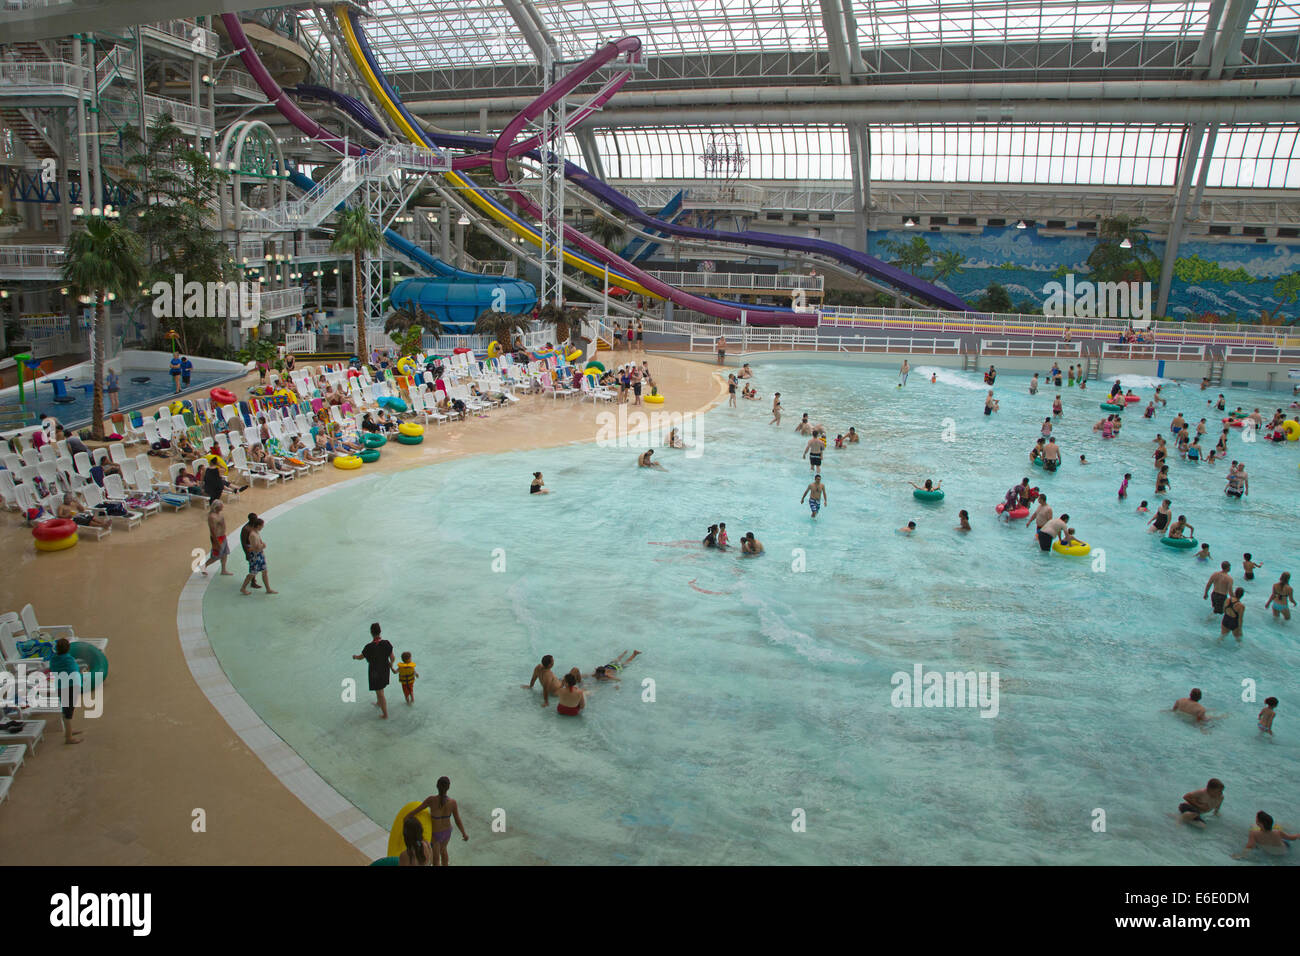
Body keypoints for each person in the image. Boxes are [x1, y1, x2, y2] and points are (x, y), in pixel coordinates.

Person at [406, 777, 468, 865]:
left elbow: (417, 810)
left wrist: (406, 817)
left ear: (437, 786)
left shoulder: (431, 800)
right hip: (447, 831)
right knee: (443, 851)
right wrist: (464, 833)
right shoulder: (452, 803)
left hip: (435, 834)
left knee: (436, 858)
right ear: (448, 787)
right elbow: (457, 820)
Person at [353, 622, 394, 719]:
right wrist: (391, 664)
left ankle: (385, 714)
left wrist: (355, 657)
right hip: (384, 669)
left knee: (379, 692)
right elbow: (392, 658)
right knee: (380, 689)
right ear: (380, 632)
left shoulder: (368, 647)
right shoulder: (386, 643)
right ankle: (379, 703)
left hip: (374, 672)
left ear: (371, 633)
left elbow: (360, 657)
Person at [47, 637, 84, 745]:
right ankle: (69, 737)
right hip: (71, 687)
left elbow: (53, 670)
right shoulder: (69, 659)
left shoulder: (53, 659)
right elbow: (75, 670)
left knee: (66, 710)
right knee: (68, 713)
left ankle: (69, 731)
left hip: (60, 687)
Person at [1232, 810, 1298, 859]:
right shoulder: (1278, 832)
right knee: (1285, 840)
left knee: (1256, 846)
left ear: (1258, 823)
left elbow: (1249, 847)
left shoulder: (1254, 834)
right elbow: (1292, 838)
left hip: (1269, 852)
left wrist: (1241, 855)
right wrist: (1298, 835)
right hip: (1282, 852)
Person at [239, 517, 275, 595]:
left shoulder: (256, 533)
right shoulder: (253, 535)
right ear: (258, 526)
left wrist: (262, 550)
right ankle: (243, 588)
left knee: (264, 571)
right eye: (262, 525)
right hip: (255, 556)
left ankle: (268, 589)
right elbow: (255, 548)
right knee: (252, 574)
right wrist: (263, 546)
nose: (263, 527)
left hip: (259, 555)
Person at [203, 500, 232, 576]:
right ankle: (204, 566)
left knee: (225, 553)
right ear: (217, 507)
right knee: (215, 556)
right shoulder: (212, 517)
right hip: (217, 538)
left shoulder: (220, 514)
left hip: (223, 536)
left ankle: (223, 570)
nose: (223, 507)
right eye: (221, 506)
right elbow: (212, 531)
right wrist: (216, 542)